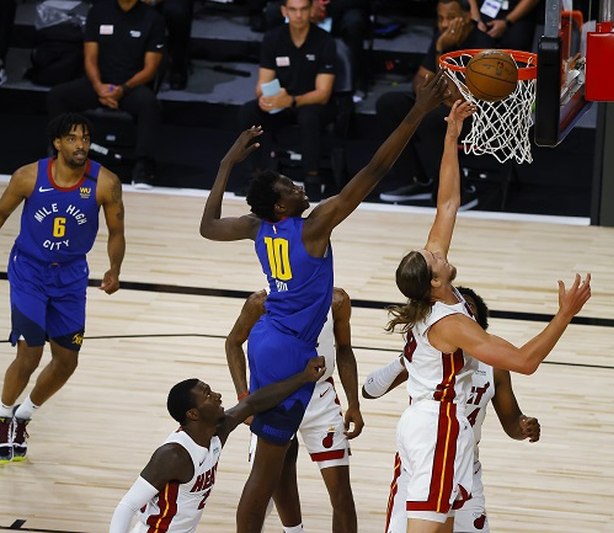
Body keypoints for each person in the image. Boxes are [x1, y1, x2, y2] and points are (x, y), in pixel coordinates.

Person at [200, 69, 449, 533]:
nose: (299, 187)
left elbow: (208, 226)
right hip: (288, 349)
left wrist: (225, 164)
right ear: (280, 208)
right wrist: (419, 111)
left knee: (271, 470)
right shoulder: (313, 226)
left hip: (272, 341)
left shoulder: (257, 227)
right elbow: (374, 170)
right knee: (265, 476)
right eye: (290, 189)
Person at [382, 98, 591, 532]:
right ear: (435, 281)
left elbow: (447, 205)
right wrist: (565, 314)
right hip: (436, 426)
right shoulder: (451, 323)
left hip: (443, 426)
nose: (436, 249)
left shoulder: (435, 287)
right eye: (432, 256)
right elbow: (525, 362)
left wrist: (451, 136)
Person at [0, 113, 126, 464]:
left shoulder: (105, 183)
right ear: (57, 143)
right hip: (29, 271)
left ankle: (23, 415)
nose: (81, 145)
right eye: (72, 138)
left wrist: (114, 269)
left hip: (71, 276)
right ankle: (3, 415)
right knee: (30, 353)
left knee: (67, 361)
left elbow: (116, 232)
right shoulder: (28, 176)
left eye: (85, 138)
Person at [363, 286, 541, 533]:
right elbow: (369, 390)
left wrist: (524, 426)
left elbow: (513, 424)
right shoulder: (430, 356)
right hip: (423, 461)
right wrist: (404, 359)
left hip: (465, 467)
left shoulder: (495, 367)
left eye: (468, 314)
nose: (460, 318)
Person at [108, 355, 328, 533]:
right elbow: (126, 507)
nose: (217, 395)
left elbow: (252, 403)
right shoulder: (174, 455)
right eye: (208, 395)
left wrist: (302, 378)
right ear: (193, 414)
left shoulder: (217, 432)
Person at [226, 287, 363, 532]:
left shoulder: (336, 300)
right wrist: (244, 398)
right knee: (267, 485)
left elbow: (344, 349)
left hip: (319, 397)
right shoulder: (260, 303)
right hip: (273, 398)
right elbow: (233, 343)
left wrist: (354, 402)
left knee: (342, 494)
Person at [376, 0, 492, 208]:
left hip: (474, 115)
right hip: (443, 106)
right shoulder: (441, 38)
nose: (444, 24)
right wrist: (431, 92)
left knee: (432, 118)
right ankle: (418, 180)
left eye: (450, 17)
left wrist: (441, 52)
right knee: (389, 104)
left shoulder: (482, 46)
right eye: (440, 18)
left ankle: (456, 190)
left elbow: (457, 98)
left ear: (466, 17)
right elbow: (419, 81)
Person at [46, 0, 166, 188]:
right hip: (98, 82)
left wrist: (123, 89)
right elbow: (90, 57)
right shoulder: (99, 11)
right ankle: (62, 156)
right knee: (57, 96)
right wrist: (98, 86)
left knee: (149, 104)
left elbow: (150, 69)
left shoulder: (153, 19)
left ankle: (144, 164)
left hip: (130, 86)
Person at [236, 0, 337, 202]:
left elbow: (323, 92)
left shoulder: (325, 41)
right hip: (281, 102)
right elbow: (262, 81)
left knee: (309, 115)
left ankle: (312, 179)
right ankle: (256, 178)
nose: (298, 15)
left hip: (312, 103)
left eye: (303, 9)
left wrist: (290, 100)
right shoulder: (273, 38)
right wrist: (264, 98)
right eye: (293, 9)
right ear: (284, 11)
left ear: (311, 11)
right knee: (249, 111)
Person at [468, 0, 540, 51]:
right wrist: (476, 17)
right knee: (478, 44)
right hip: (485, 8)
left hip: (517, 12)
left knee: (516, 44)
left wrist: (507, 22)